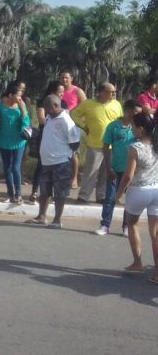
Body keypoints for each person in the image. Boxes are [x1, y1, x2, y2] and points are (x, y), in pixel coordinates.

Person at [26, 94, 81, 228]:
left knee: (60, 193)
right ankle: (41, 216)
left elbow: (75, 144)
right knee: (44, 191)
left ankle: (57, 220)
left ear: (56, 106)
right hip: (46, 162)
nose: (46, 111)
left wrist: (62, 151)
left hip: (61, 163)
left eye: (48, 108)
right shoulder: (50, 117)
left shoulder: (67, 121)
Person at [115, 113, 158, 280]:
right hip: (156, 190)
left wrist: (118, 194)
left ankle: (137, 262)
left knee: (132, 224)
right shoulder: (156, 144)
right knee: (155, 233)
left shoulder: (136, 148)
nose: (131, 129)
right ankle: (157, 273)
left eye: (133, 127)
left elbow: (128, 176)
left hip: (139, 191)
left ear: (140, 129)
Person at [71, 82, 123, 204]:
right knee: (91, 171)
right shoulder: (88, 104)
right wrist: (84, 126)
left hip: (112, 145)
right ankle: (84, 196)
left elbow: (121, 120)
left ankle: (101, 196)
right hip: (95, 144)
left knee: (106, 173)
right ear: (102, 92)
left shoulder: (116, 104)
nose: (114, 94)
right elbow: (74, 114)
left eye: (114, 92)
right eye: (111, 92)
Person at [95, 100, 140, 236]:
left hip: (132, 172)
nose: (137, 115)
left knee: (130, 200)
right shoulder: (113, 126)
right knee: (110, 198)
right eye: (135, 112)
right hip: (115, 169)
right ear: (128, 110)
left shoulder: (138, 128)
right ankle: (105, 225)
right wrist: (108, 168)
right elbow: (106, 147)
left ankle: (126, 226)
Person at [27, 81, 66, 204]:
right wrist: (54, 124)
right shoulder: (43, 102)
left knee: (56, 168)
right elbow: (42, 120)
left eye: (63, 92)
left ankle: (52, 194)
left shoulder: (64, 103)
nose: (61, 95)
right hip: (45, 136)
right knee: (41, 165)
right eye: (59, 92)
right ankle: (34, 191)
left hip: (59, 139)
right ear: (52, 92)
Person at [0, 82, 31, 204]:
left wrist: (23, 110)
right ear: (11, 95)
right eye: (18, 96)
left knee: (16, 167)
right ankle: (10, 194)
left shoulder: (22, 105)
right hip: (4, 140)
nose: (20, 98)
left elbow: (26, 124)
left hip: (19, 141)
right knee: (7, 168)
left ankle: (18, 194)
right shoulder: (0, 106)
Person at [59, 69, 86, 188]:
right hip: (59, 125)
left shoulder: (77, 91)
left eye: (66, 77)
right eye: (62, 77)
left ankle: (74, 178)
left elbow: (86, 106)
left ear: (71, 79)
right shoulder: (58, 91)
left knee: (74, 152)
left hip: (73, 126)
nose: (64, 80)